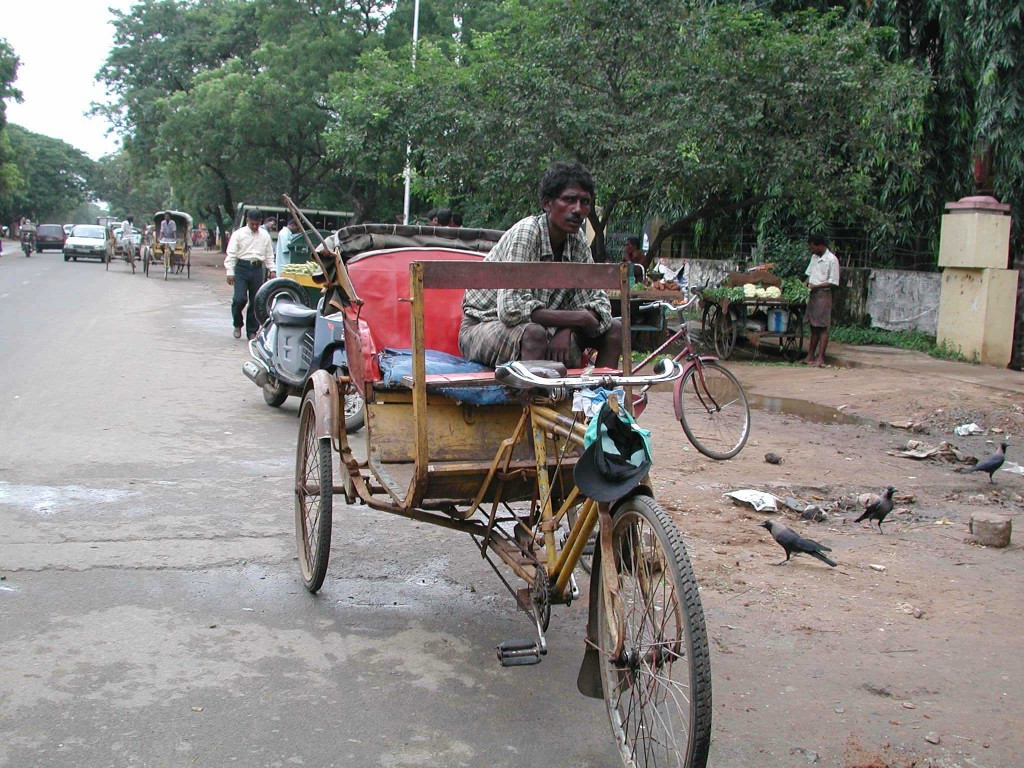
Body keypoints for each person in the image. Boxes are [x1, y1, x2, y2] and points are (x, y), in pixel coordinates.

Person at [460, 161, 621, 368]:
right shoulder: (527, 232)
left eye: (585, 202)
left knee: (614, 329)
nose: (578, 210)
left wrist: (567, 328)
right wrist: (574, 319)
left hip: (545, 327)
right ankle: (532, 400)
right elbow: (511, 309)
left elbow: (599, 303)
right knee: (535, 334)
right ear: (547, 203)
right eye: (570, 200)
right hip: (483, 327)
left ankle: (600, 397)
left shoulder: (577, 240)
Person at [225, 208, 277, 340]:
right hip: (242, 268)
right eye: (252, 223)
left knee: (255, 301)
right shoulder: (238, 234)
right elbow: (231, 254)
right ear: (247, 221)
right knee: (239, 299)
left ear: (260, 222)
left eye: (257, 224)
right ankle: (237, 323)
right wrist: (230, 272)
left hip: (257, 269)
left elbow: (269, 255)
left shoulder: (264, 235)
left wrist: (272, 270)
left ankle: (252, 331)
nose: (254, 226)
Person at [802, 233, 840, 367]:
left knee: (822, 328)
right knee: (814, 327)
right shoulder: (814, 257)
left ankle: (821, 358)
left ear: (820, 245)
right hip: (812, 295)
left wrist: (815, 286)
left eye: (813, 247)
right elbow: (809, 275)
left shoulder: (832, 260)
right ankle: (810, 356)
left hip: (822, 295)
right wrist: (804, 285)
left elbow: (832, 282)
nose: (812, 250)